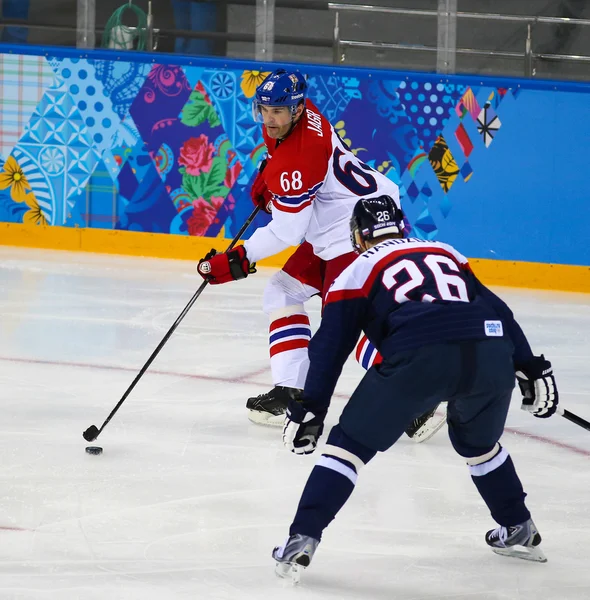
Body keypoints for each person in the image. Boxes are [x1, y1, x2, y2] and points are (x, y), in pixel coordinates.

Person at [271, 195, 558, 582]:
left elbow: (329, 349)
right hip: (490, 353)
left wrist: (311, 410)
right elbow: (497, 310)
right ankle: (519, 526)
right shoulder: (446, 251)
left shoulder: (357, 270)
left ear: (357, 235)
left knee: (347, 449)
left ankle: (301, 539)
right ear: (402, 226)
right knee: (479, 446)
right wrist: (528, 366)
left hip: (420, 355)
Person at [196, 68, 424, 428]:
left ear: (297, 110)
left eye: (277, 112)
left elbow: (288, 232)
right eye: (264, 110)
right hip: (354, 217)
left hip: (356, 233)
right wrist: (270, 177)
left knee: (345, 323)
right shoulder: (306, 114)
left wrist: (237, 260)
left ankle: (415, 398)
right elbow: (289, 163)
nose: (269, 120)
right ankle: (290, 390)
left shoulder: (297, 163)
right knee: (282, 290)